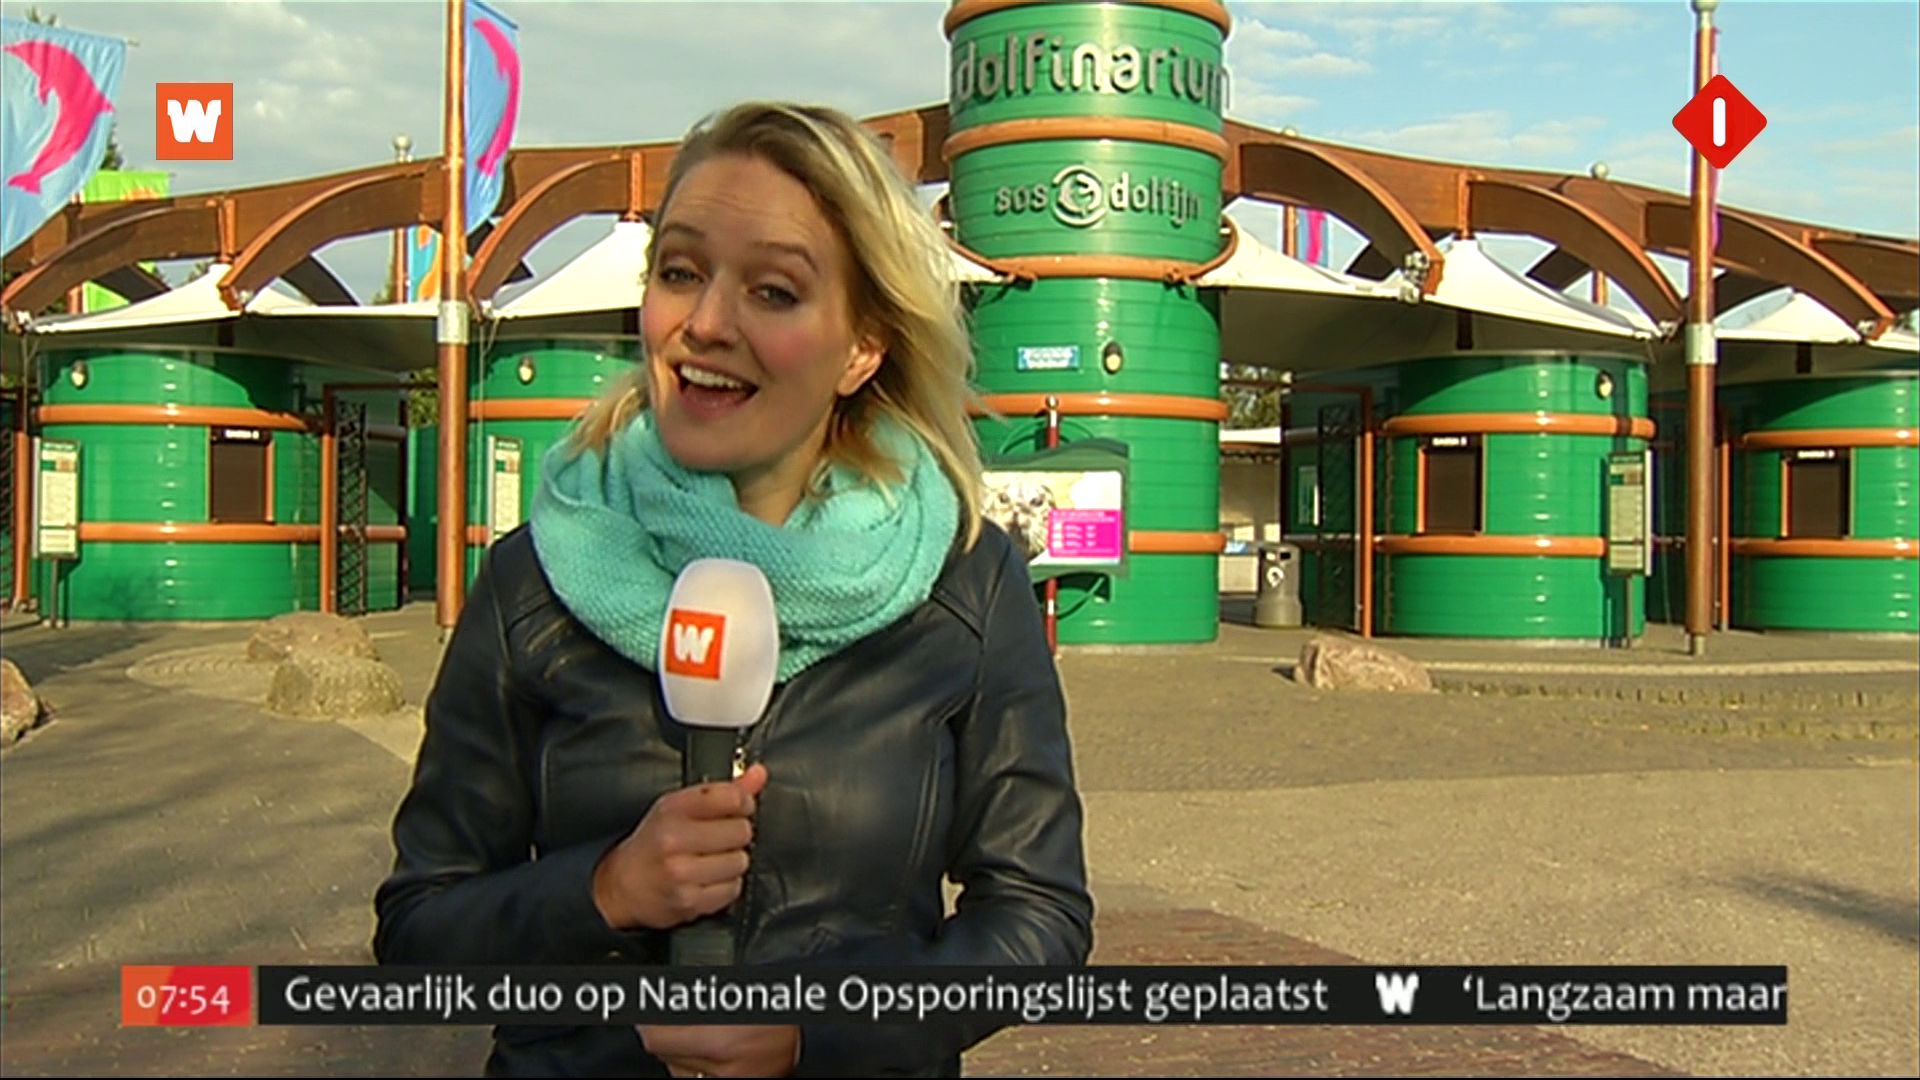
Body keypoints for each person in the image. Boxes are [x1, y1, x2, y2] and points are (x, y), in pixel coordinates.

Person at [373, 101, 1093, 1078]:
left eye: (774, 291)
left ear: (862, 346)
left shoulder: (966, 579)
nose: (706, 325)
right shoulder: (532, 580)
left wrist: (821, 1030)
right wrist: (602, 892)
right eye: (680, 273)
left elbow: (1038, 919)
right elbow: (418, 933)